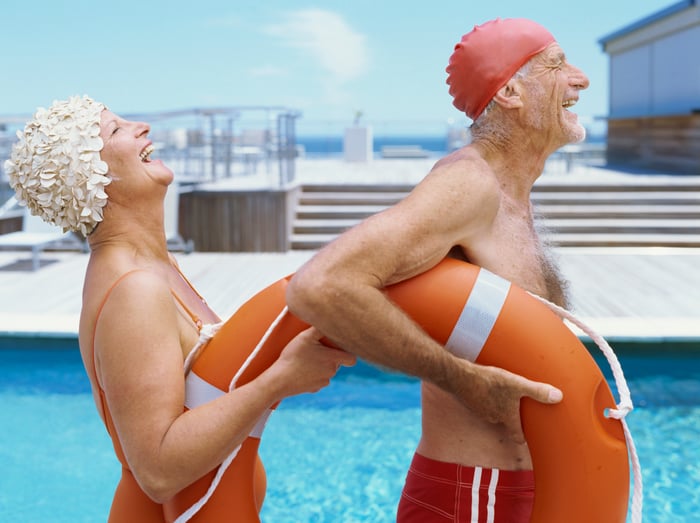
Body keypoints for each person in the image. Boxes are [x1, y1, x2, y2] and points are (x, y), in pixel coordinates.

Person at [286, 17, 589, 522]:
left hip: (512, 491)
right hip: (475, 494)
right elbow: (322, 285)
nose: (579, 78)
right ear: (511, 92)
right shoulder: (469, 185)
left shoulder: (511, 193)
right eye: (558, 65)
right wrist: (466, 383)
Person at [4, 95, 355, 522]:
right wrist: (279, 382)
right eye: (116, 129)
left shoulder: (155, 265)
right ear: (89, 179)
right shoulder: (134, 290)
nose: (142, 126)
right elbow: (157, 470)